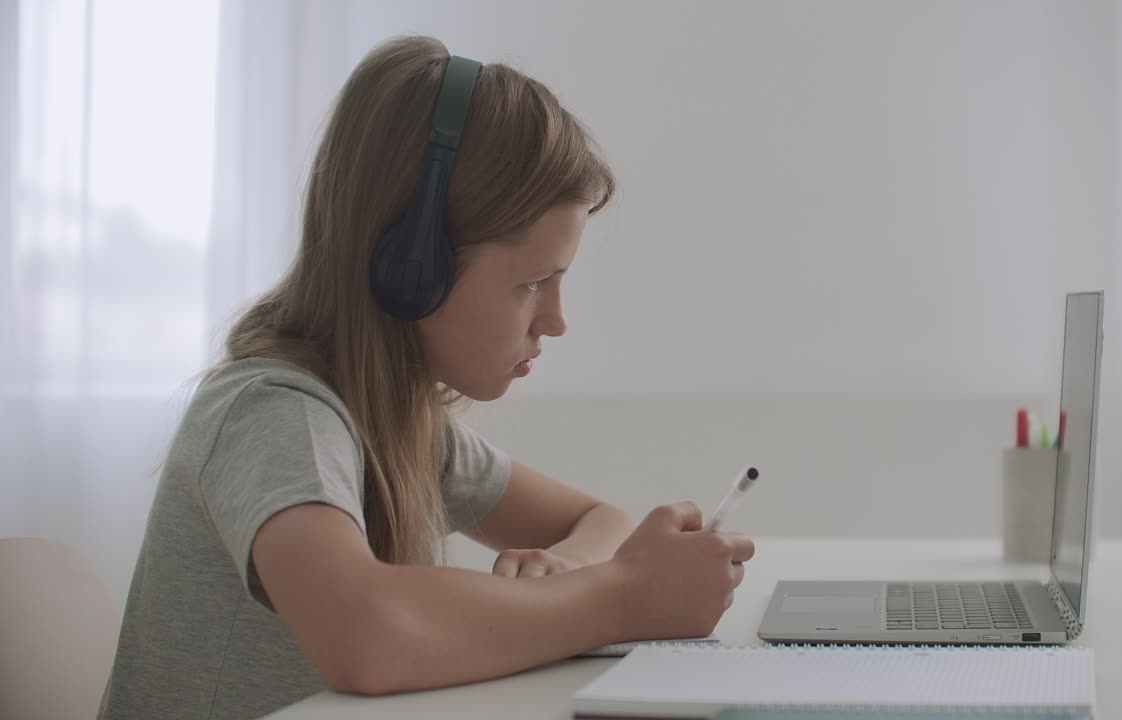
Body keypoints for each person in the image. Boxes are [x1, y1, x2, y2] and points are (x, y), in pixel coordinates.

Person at [96, 34, 755, 720]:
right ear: (412, 266)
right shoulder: (271, 414)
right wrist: (620, 598)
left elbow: (601, 520)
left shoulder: (398, 422)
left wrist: (567, 575)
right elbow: (365, 635)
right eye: (533, 283)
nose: (556, 321)